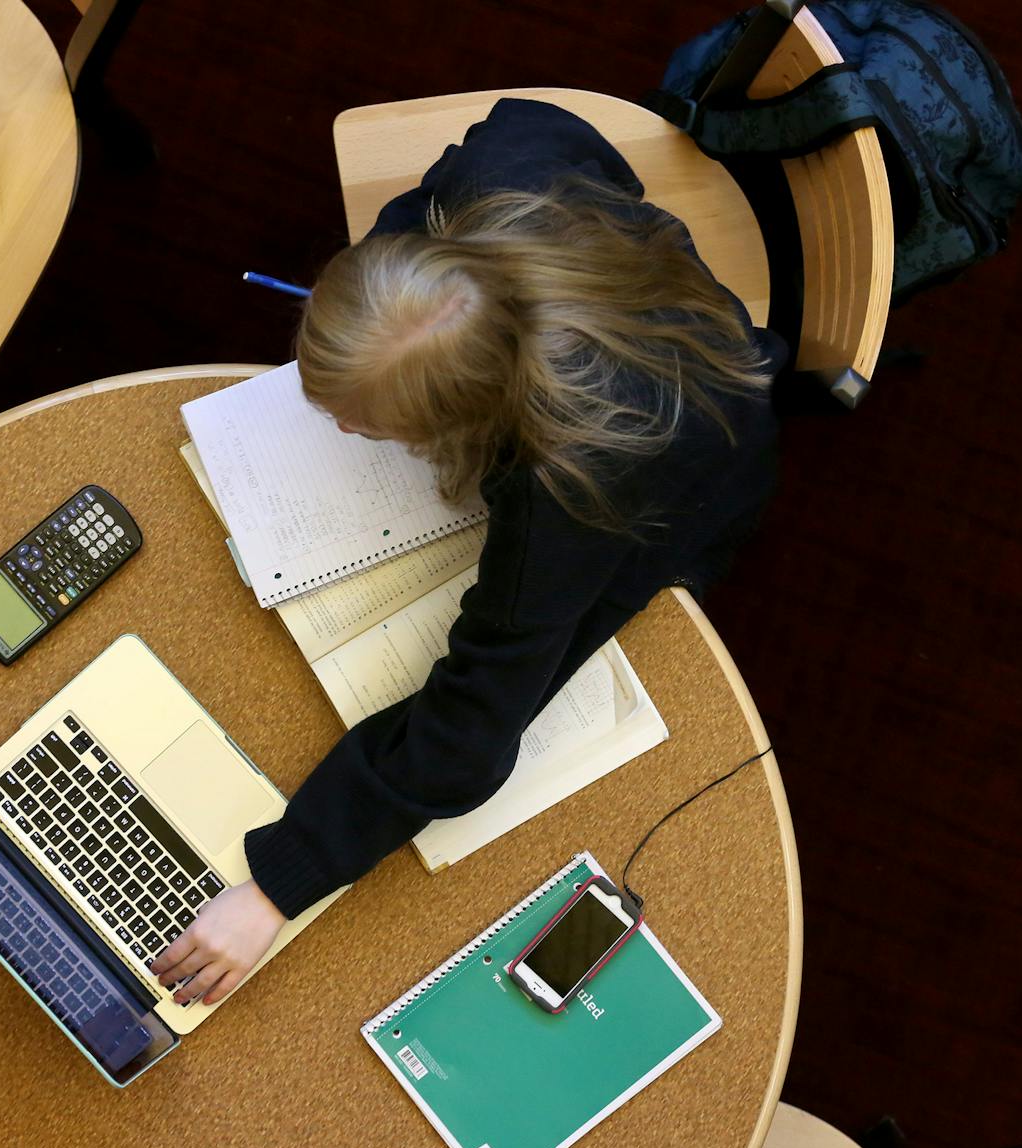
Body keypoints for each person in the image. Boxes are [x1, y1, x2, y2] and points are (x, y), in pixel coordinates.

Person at [152, 98, 787, 1006]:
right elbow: (541, 121)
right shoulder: (509, 178)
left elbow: (467, 738)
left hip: (701, 473)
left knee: (555, 641)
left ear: (468, 424)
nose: (333, 423)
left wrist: (279, 884)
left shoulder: (563, 490)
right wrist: (396, 265)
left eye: (363, 425)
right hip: (679, 328)